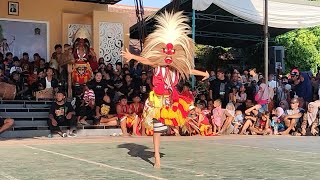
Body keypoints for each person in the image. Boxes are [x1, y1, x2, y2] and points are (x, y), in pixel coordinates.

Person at [121, 11, 208, 168]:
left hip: (172, 100)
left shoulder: (176, 69)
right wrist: (133, 56)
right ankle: (156, 157)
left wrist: (204, 73)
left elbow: (189, 70)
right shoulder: (157, 65)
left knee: (173, 123)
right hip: (158, 101)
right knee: (157, 129)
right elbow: (146, 59)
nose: (169, 55)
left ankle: (175, 138)